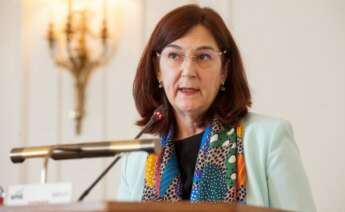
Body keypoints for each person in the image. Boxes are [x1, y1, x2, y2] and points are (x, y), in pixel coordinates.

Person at [117, 4, 316, 211]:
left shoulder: (268, 139)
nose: (188, 71)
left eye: (203, 56)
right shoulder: (138, 156)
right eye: (174, 56)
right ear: (158, 69)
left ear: (224, 70)